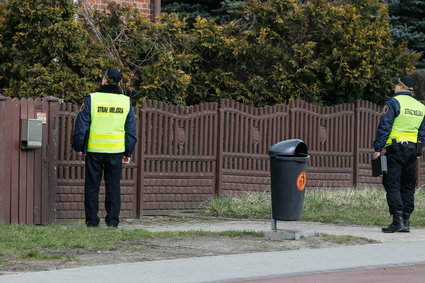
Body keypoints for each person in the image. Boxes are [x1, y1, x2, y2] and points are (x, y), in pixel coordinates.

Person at [72, 68, 137, 228]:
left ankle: (92, 222)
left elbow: (82, 125)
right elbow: (130, 130)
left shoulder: (92, 99)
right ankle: (112, 222)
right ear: (119, 83)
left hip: (94, 150)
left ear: (104, 80)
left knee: (92, 187)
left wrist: (79, 146)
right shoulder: (125, 101)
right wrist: (128, 151)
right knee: (113, 187)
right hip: (116, 151)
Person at [373, 75, 425, 233]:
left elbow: (385, 126)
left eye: (396, 85)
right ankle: (407, 221)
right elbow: (422, 132)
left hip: (395, 150)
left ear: (401, 88)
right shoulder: (420, 107)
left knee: (392, 183)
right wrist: (418, 151)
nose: (394, 87)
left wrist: (377, 148)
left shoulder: (393, 102)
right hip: (412, 151)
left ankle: (398, 221)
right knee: (408, 185)